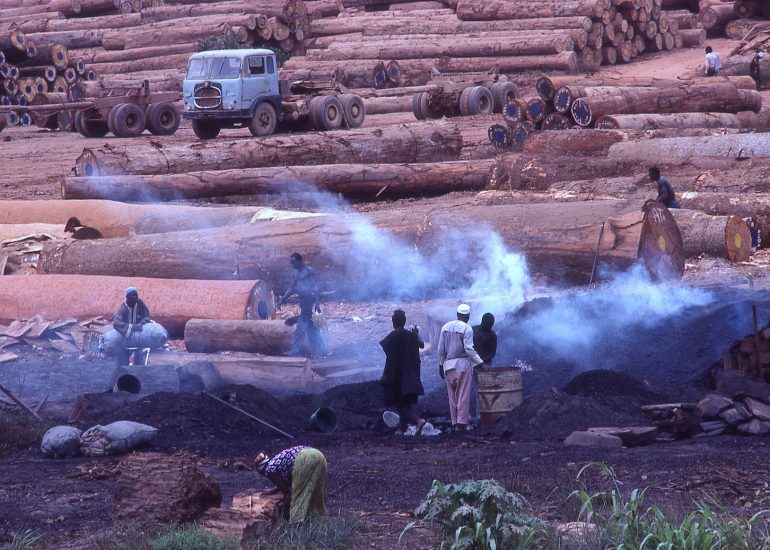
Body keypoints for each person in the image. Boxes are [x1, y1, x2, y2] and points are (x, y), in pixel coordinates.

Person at [437, 304, 485, 433]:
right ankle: (461, 424)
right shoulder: (467, 328)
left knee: (452, 396)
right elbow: (469, 349)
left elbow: (440, 349)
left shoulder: (445, 327)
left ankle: (454, 422)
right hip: (463, 365)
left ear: (457, 314)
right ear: (468, 316)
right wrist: (480, 363)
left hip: (448, 365)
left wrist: (440, 365)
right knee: (463, 395)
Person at [380, 309, 426, 435]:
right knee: (405, 402)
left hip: (398, 375)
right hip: (411, 374)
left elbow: (387, 350)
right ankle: (403, 427)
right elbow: (421, 345)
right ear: (404, 321)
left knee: (400, 403)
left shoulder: (393, 336)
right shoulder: (411, 336)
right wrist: (416, 334)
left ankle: (417, 421)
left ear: (393, 322)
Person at [255, 446, 327, 523]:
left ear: (261, 469)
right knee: (316, 489)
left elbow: (286, 490)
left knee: (298, 494)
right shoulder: (277, 461)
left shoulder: (269, 470)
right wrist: (273, 490)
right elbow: (285, 483)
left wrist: (284, 509)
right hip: (318, 455)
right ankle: (319, 518)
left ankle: (297, 523)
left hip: (305, 458)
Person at [277, 252, 326, 358]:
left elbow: (314, 286)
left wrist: (317, 303)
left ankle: (296, 351)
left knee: (301, 326)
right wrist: (282, 299)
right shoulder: (296, 273)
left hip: (309, 300)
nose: (292, 265)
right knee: (312, 326)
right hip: (303, 301)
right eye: (291, 263)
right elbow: (291, 288)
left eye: (293, 262)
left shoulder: (308, 271)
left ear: (299, 261)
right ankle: (321, 350)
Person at [103, 287, 168, 366]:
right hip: (126, 337)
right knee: (123, 361)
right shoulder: (123, 308)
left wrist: (142, 323)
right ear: (127, 298)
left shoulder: (139, 303)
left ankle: (138, 371)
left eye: (136, 296)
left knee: (139, 358)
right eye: (132, 296)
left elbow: (146, 315)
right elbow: (116, 323)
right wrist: (132, 327)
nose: (135, 298)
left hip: (139, 336)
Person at [470, 313, 498, 425]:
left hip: (485, 366)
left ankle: (482, 415)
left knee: (483, 391)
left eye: (491, 324)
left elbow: (492, 352)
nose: (489, 326)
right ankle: (477, 415)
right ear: (483, 321)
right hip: (471, 364)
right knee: (476, 391)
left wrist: (481, 362)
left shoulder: (492, 335)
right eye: (488, 324)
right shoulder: (473, 330)